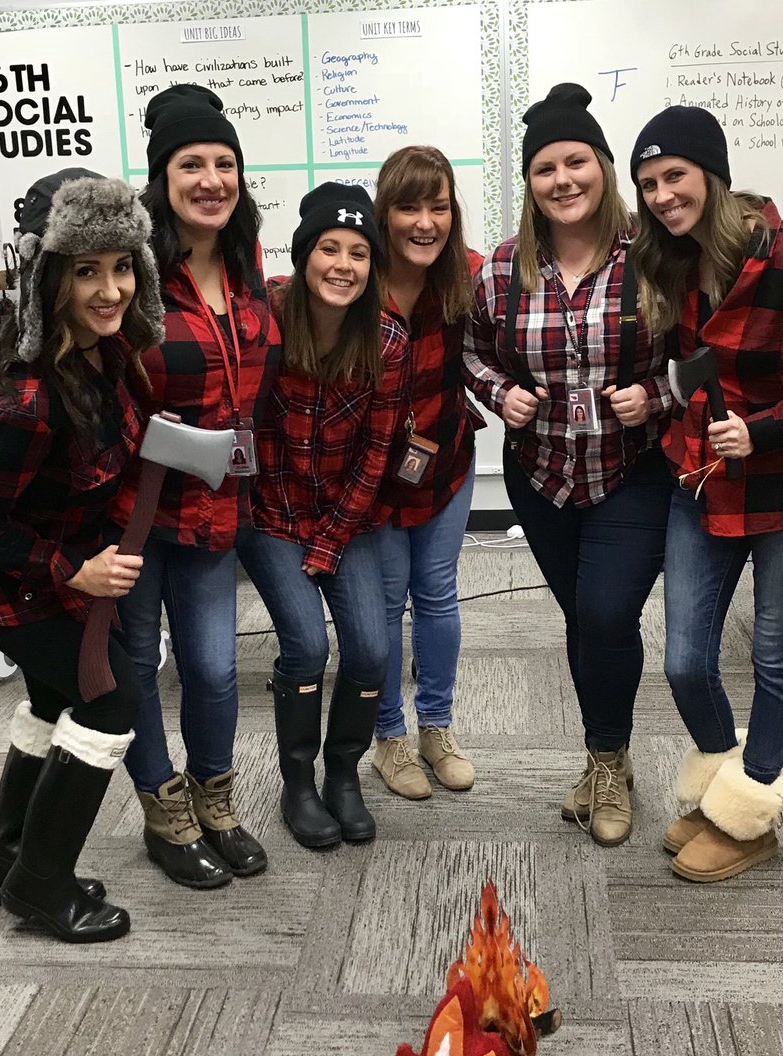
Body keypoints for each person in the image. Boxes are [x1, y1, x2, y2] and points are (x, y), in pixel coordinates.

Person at [0, 170, 164, 942]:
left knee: (59, 699)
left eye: (121, 266)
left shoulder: (104, 354)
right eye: (85, 270)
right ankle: (41, 887)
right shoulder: (29, 398)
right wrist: (75, 573)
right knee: (109, 698)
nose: (109, 289)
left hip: (28, 563)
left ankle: (11, 864)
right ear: (48, 276)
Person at [630, 105, 783, 881]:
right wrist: (654, 398)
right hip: (704, 477)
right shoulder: (667, 260)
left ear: (711, 173)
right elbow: (685, 371)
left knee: (773, 651)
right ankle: (723, 782)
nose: (662, 195)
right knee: (684, 661)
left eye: (673, 177)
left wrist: (764, 430)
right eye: (648, 184)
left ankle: (752, 805)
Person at [463, 83, 673, 847]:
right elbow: (471, 351)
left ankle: (609, 766)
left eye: (575, 161)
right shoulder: (501, 269)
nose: (562, 179)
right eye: (544, 167)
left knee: (608, 613)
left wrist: (653, 393)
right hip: (541, 473)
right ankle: (601, 756)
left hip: (632, 470)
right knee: (581, 618)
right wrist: (498, 393)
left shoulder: (652, 258)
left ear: (603, 166)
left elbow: (697, 356)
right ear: (528, 182)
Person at [107, 85, 281, 889]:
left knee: (213, 669)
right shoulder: (131, 276)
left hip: (216, 510)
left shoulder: (247, 274)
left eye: (224, 163)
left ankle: (216, 802)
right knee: (138, 666)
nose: (211, 178)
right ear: (161, 177)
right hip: (136, 516)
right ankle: (164, 813)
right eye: (191, 165)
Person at [237, 183, 409, 849]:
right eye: (329, 249)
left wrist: (332, 539)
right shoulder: (268, 319)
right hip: (271, 515)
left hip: (349, 516)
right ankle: (298, 782)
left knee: (370, 651)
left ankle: (344, 776)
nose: (343, 264)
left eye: (359, 253)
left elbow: (377, 455)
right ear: (305, 255)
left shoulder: (386, 339)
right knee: (306, 645)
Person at [370, 145, 484, 801]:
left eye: (436, 206)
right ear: (384, 213)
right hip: (375, 475)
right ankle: (388, 736)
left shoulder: (465, 277)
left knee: (437, 592)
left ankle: (435, 728)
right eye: (408, 206)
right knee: (387, 603)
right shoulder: (356, 279)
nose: (423, 221)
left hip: (445, 459)